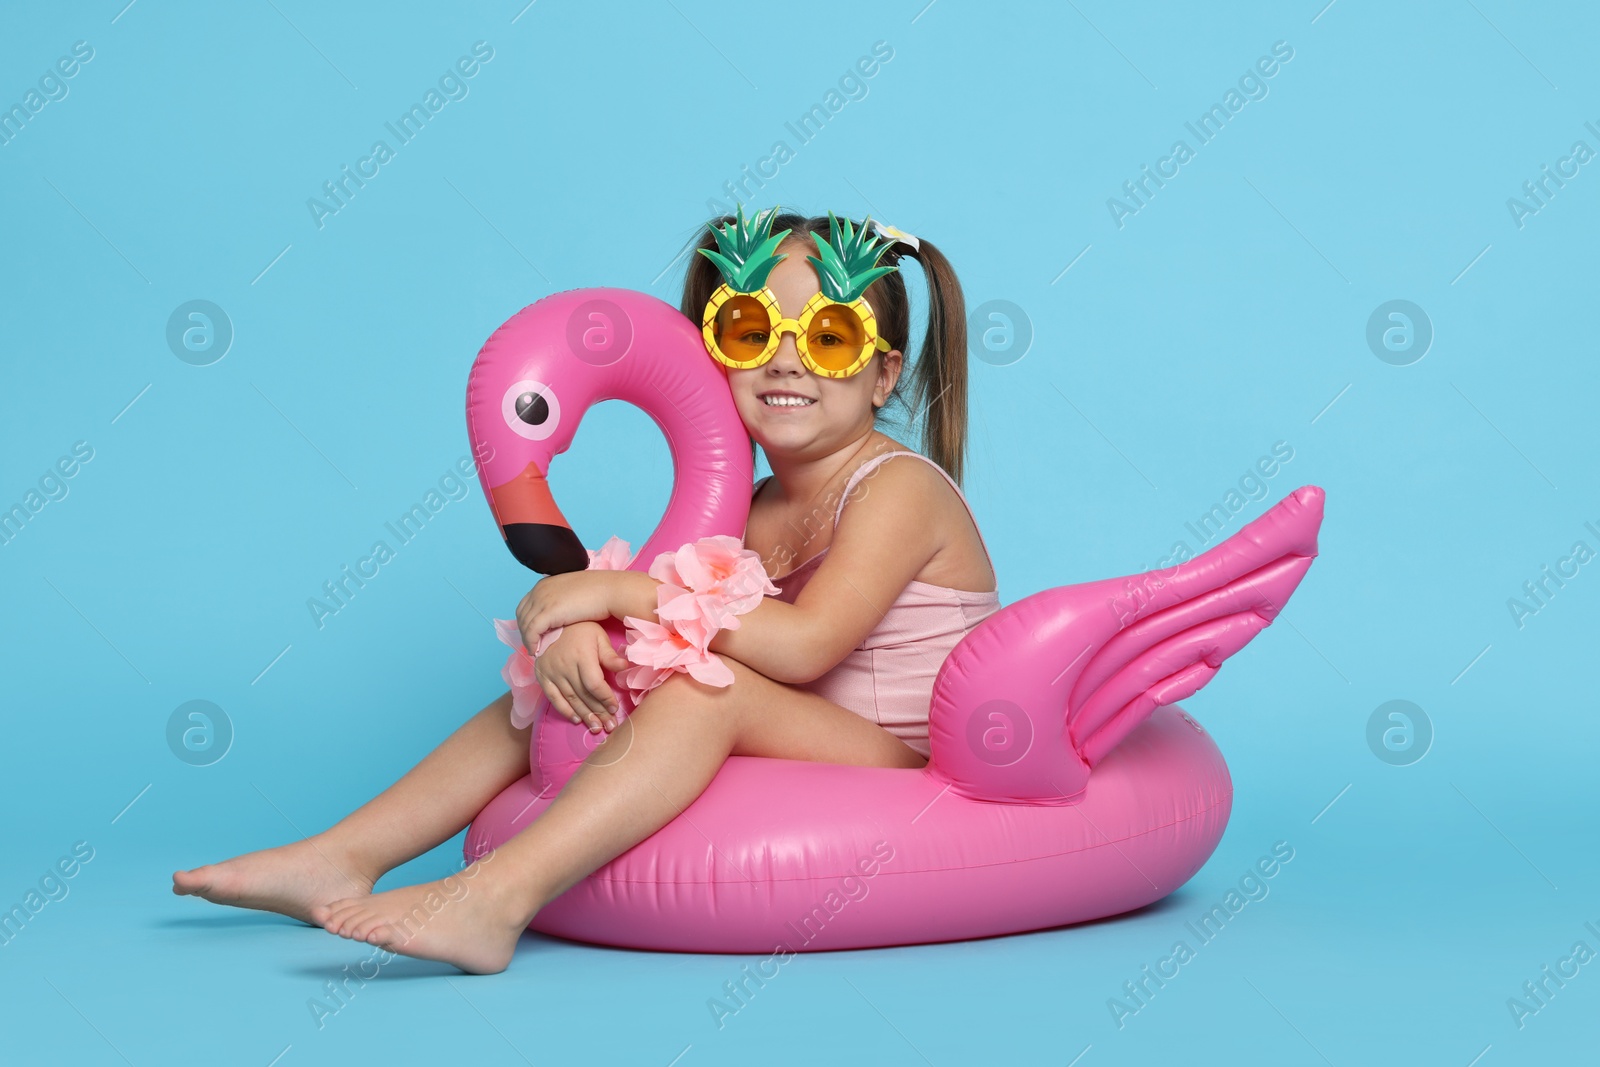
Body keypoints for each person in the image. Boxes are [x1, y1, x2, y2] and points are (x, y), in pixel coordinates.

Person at [171, 208, 1001, 974]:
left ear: (884, 375)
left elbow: (806, 642)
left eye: (828, 338)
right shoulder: (755, 505)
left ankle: (494, 901)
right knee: (555, 688)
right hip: (812, 727)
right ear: (716, 353)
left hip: (902, 755)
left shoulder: (896, 489)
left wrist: (615, 592)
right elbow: (691, 619)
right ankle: (342, 853)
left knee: (707, 694)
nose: (785, 358)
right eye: (750, 331)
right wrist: (591, 631)